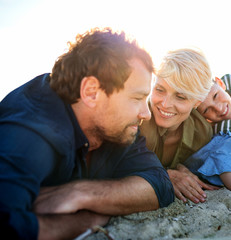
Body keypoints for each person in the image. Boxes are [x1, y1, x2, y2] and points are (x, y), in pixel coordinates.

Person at [0, 28, 174, 240]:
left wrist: (81, 193)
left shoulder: (117, 125)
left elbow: (160, 186)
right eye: (137, 98)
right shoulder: (32, 132)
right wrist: (86, 222)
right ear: (91, 92)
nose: (146, 114)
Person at [140, 48, 219, 204]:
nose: (165, 104)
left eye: (181, 97)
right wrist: (165, 174)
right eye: (160, 89)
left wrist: (180, 168)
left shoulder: (202, 134)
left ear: (197, 102)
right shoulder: (137, 119)